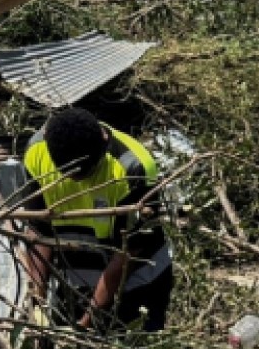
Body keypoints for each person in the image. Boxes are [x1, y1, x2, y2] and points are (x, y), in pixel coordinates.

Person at [20, 107, 173, 331]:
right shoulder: (37, 153)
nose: (76, 180)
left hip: (136, 284)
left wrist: (87, 322)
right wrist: (37, 302)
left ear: (103, 142)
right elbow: (39, 231)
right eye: (68, 174)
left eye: (86, 173)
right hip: (76, 281)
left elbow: (128, 254)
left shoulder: (133, 168)